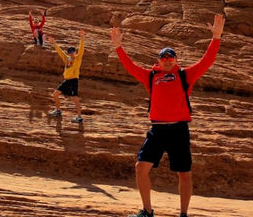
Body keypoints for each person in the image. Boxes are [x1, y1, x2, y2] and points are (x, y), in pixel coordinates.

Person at [110, 14, 225, 217]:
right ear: (158, 61)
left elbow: (206, 61)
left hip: (179, 130)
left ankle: (183, 214)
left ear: (176, 60)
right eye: (163, 58)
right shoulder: (151, 76)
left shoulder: (184, 75)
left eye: (170, 57)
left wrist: (216, 38)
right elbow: (130, 67)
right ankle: (147, 211)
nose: (166, 60)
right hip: (157, 129)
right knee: (141, 167)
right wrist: (118, 47)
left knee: (184, 174)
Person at [47, 30, 85, 123]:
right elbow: (60, 52)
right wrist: (54, 43)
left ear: (75, 52)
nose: (70, 53)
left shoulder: (77, 59)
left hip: (73, 81)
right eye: (69, 51)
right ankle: (58, 111)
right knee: (55, 94)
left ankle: (79, 117)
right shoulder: (67, 59)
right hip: (66, 80)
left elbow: (82, 49)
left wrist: (82, 37)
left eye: (72, 51)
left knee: (75, 99)